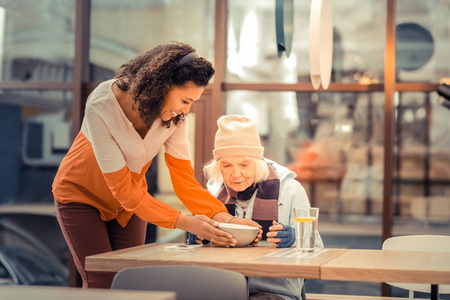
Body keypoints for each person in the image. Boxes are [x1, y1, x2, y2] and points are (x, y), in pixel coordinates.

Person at [52, 42, 261, 289]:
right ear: (163, 85)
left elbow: (183, 178)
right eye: (185, 100)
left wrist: (225, 220)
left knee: (131, 281)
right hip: (81, 197)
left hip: (129, 205)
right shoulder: (101, 105)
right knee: (102, 281)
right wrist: (187, 222)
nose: (187, 110)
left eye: (192, 102)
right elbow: (124, 190)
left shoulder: (176, 117)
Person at [189, 115, 324, 300]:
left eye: (244, 164)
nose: (236, 174)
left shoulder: (291, 190)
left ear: (258, 162)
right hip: (222, 286)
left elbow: (316, 248)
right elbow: (195, 253)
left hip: (276, 291)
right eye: (226, 165)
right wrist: (197, 237)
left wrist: (294, 238)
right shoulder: (212, 193)